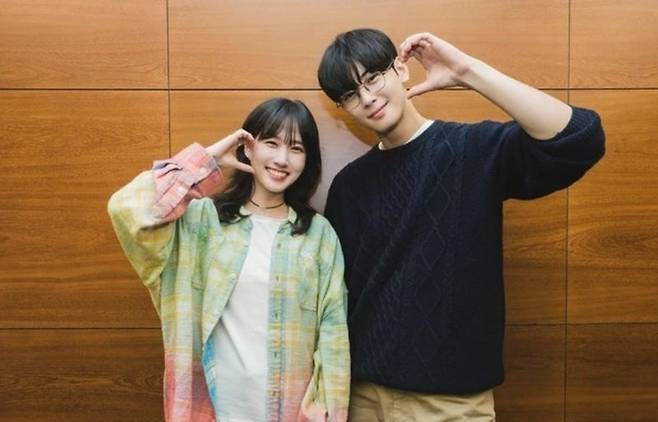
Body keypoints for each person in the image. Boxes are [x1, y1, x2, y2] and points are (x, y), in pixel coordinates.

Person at [317, 29, 605, 420]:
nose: (367, 98)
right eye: (351, 94)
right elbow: (337, 296)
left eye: (373, 78)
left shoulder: (471, 150)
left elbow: (580, 139)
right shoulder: (349, 186)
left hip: (448, 402)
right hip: (361, 396)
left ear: (401, 69)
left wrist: (467, 71)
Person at [108, 98, 350, 422]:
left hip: (290, 412)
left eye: (296, 148)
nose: (281, 159)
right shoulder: (201, 223)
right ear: (248, 147)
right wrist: (206, 161)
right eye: (271, 143)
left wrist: (329, 412)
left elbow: (334, 337)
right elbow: (126, 208)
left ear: (307, 160)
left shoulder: (317, 235)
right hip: (209, 410)